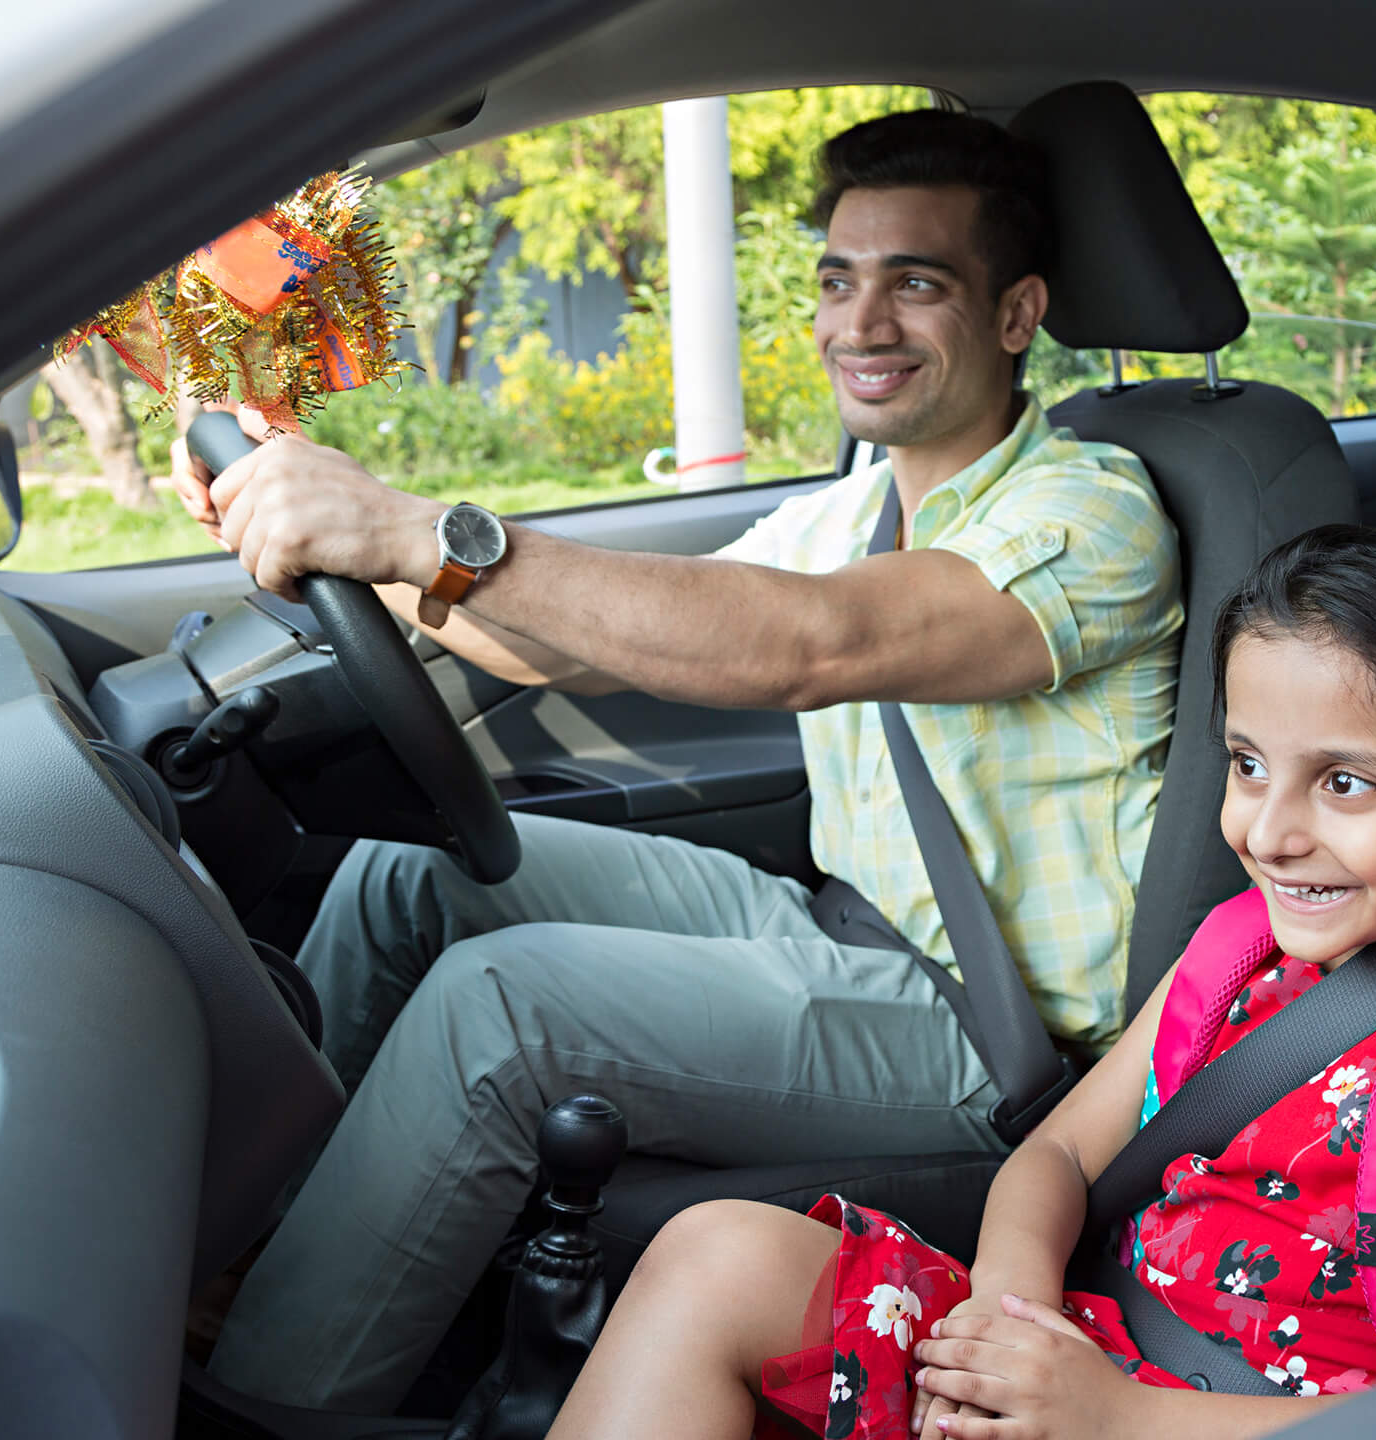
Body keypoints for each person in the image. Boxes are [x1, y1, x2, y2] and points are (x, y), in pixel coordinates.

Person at [180, 110, 1185, 1412]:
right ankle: (258, 1255)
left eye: (916, 281)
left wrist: (424, 529)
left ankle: (266, 1400)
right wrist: (356, 548)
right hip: (843, 924)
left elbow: (815, 645)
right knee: (399, 877)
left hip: (992, 1035)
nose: (860, 320)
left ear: (1015, 313)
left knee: (505, 1006)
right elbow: (584, 647)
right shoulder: (847, 507)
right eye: (838, 279)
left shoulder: (1094, 507)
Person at [546, 527, 1376, 1440]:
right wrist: (1013, 1320)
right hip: (1086, 1359)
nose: (1269, 829)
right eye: (1248, 764)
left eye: (1344, 784)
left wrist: (1117, 1420)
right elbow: (1057, 1159)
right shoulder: (1242, 954)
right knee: (715, 1255)